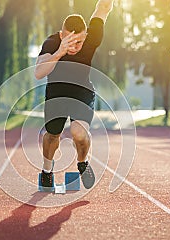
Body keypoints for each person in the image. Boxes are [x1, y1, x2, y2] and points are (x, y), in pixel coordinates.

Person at [34, 0, 114, 190]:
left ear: (85, 35)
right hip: (56, 94)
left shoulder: (92, 36)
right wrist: (60, 52)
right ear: (62, 35)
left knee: (79, 133)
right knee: (52, 135)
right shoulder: (52, 42)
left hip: (82, 92)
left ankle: (82, 162)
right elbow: (38, 73)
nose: (75, 46)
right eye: (70, 41)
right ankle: (47, 171)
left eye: (79, 41)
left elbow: (102, 8)